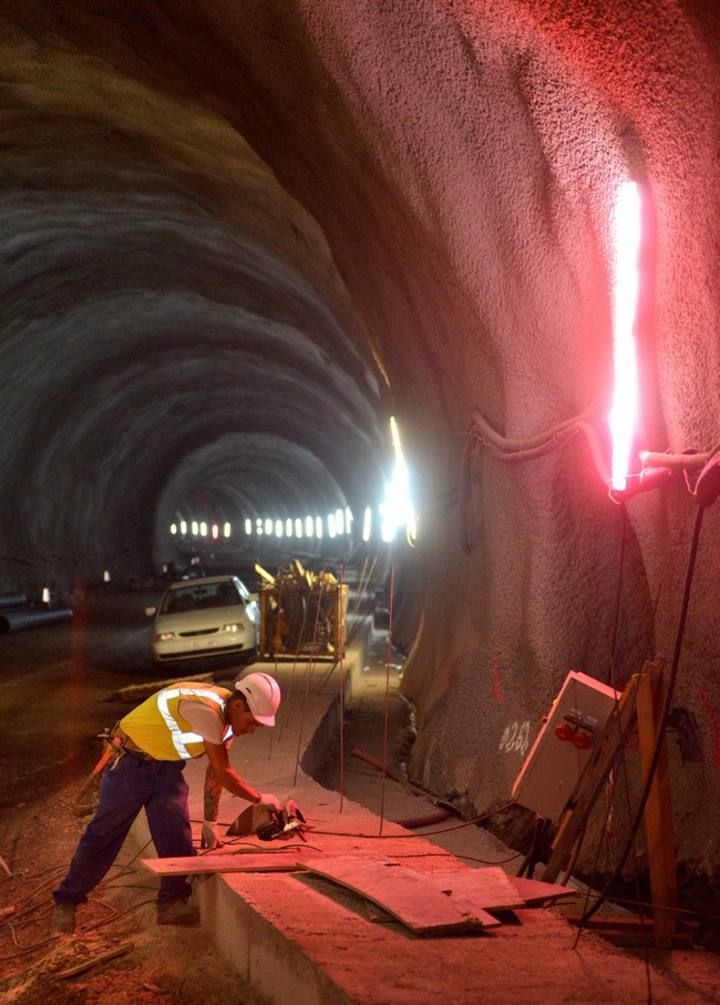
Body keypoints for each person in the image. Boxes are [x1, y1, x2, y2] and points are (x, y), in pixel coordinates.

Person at [52, 671, 284, 933]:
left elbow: (214, 772)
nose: (251, 730)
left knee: (176, 834)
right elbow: (224, 773)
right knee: (104, 834)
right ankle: (66, 901)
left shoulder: (227, 719)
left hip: (166, 769)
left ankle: (171, 903)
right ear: (239, 705)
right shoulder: (205, 710)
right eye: (252, 722)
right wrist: (261, 799)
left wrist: (211, 822)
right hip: (131, 763)